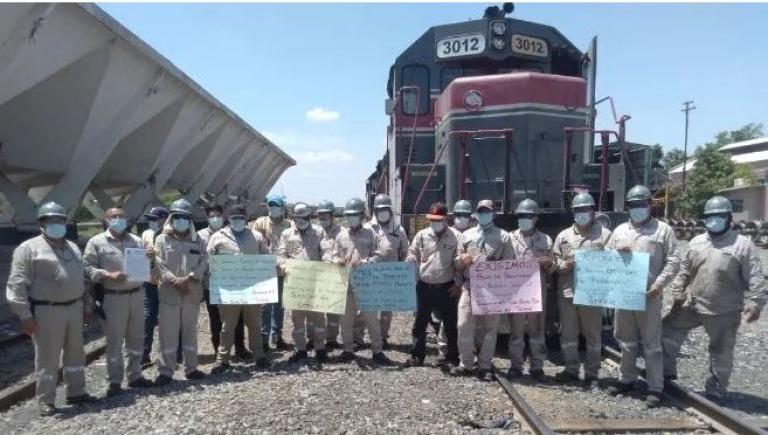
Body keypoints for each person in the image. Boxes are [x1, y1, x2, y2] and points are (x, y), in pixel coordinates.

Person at [663, 196, 766, 400]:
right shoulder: (697, 241)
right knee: (666, 332)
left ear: (729, 217)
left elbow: (755, 276)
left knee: (721, 351)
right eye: (710, 216)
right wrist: (677, 291)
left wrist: (756, 303)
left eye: (719, 216)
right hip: (692, 304)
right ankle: (665, 372)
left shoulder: (742, 245)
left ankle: (716, 388)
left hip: (724, 310)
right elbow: (685, 270)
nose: (714, 220)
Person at [6, 202, 97, 416]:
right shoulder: (28, 249)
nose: (57, 224)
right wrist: (25, 315)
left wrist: (87, 304)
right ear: (42, 223)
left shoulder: (72, 247)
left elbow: (80, 278)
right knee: (48, 357)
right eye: (51, 220)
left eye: (60, 220)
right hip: (47, 311)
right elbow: (17, 283)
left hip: (74, 307)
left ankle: (76, 391)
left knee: (75, 353)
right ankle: (46, 400)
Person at [606, 185, 679, 408]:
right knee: (625, 340)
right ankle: (626, 379)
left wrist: (659, 285)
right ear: (628, 207)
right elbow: (606, 257)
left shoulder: (663, 230)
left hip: (649, 295)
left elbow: (674, 260)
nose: (637, 208)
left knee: (651, 343)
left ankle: (655, 387)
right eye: (633, 205)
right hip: (624, 294)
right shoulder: (619, 231)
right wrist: (616, 252)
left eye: (641, 204)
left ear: (649, 205)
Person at [84, 207, 154, 396]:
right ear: (106, 220)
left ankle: (135, 376)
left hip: (137, 294)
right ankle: (115, 381)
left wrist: (150, 258)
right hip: (113, 297)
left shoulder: (137, 241)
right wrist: (107, 274)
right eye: (114, 216)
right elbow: (87, 268)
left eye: (122, 216)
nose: (119, 219)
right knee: (114, 341)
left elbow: (147, 267)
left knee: (136, 339)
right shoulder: (96, 242)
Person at [451, 199, 515, 381]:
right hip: (469, 286)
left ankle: (485, 365)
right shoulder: (466, 235)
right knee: (463, 325)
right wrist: (461, 260)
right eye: (481, 211)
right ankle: (466, 363)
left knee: (490, 328)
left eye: (487, 211)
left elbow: (509, 265)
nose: (484, 214)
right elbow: (455, 263)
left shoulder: (504, 237)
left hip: (492, 290)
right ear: (476, 214)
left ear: (493, 214)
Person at [552, 193, 611, 383]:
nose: (582, 213)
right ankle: (571, 369)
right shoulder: (564, 236)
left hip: (592, 294)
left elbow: (615, 263)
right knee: (568, 334)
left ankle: (592, 372)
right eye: (578, 210)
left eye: (586, 209)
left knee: (593, 335)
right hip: (568, 293)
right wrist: (562, 265)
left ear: (593, 211)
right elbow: (554, 261)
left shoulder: (605, 235)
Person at [210, 203, 271, 373]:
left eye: (241, 219)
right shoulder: (217, 237)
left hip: (252, 289)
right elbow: (209, 261)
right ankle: (222, 360)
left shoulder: (257, 236)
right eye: (235, 219)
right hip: (228, 290)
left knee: (254, 324)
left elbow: (266, 258)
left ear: (246, 220)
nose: (238, 221)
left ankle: (259, 356)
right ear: (229, 219)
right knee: (227, 326)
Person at [153, 199, 207, 385]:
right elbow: (158, 263)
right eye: (178, 217)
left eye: (185, 217)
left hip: (191, 293)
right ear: (171, 218)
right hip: (169, 293)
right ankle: (166, 371)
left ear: (190, 219)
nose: (181, 220)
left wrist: (190, 278)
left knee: (190, 331)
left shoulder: (198, 239)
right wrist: (174, 280)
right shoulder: (161, 239)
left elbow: (204, 262)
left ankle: (191, 368)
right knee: (167, 333)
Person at [333, 197, 390, 364]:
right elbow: (333, 254)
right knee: (346, 320)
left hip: (366, 285)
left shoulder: (372, 234)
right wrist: (337, 260)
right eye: (349, 215)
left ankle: (377, 351)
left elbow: (380, 255)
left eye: (355, 214)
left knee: (372, 320)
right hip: (347, 285)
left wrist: (366, 262)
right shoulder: (341, 236)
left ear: (362, 215)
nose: (352, 218)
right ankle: (348, 350)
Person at [405, 202, 461, 368]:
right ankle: (417, 356)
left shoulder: (456, 236)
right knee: (420, 323)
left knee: (450, 324)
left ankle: (451, 357)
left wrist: (458, 284)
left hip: (447, 287)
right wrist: (410, 257)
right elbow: (412, 251)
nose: (435, 222)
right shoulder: (422, 235)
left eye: (438, 220)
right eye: (432, 220)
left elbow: (460, 262)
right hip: (425, 286)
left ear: (445, 219)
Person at [507, 198, 555, 382]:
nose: (523, 219)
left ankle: (537, 366)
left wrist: (550, 263)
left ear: (535, 218)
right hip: (517, 292)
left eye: (527, 216)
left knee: (537, 330)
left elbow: (553, 266)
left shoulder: (545, 239)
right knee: (516, 331)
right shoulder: (509, 238)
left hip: (537, 290)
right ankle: (516, 365)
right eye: (520, 216)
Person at [279, 202, 331, 363]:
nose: (300, 221)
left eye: (303, 217)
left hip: (316, 282)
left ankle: (320, 348)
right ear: (293, 218)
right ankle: (300, 349)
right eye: (297, 218)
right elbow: (281, 254)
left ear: (309, 217)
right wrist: (282, 266)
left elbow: (327, 251)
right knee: (297, 319)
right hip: (296, 283)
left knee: (319, 319)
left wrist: (328, 263)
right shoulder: (287, 234)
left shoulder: (319, 231)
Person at [197, 204, 249, 359]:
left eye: (218, 215)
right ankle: (218, 350)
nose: (215, 218)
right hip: (211, 284)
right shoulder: (200, 236)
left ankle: (240, 348)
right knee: (215, 318)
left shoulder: (232, 233)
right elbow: (200, 259)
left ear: (224, 217)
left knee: (238, 316)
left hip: (233, 284)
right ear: (207, 218)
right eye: (212, 216)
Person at [367, 194, 409, 349]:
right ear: (375, 211)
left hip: (389, 276)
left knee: (386, 310)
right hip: (369, 275)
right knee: (365, 307)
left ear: (390, 210)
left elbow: (405, 251)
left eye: (385, 209)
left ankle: (383, 337)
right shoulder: (367, 228)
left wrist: (403, 270)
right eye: (379, 209)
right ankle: (358, 337)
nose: (382, 212)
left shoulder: (398, 230)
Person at [252, 193, 292, 351]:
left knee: (279, 305)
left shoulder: (289, 225)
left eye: (277, 206)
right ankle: (263, 337)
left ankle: (277, 335)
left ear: (282, 208)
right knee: (265, 305)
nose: (274, 209)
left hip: (282, 269)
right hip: (265, 270)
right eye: (271, 205)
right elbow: (254, 243)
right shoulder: (260, 223)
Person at [436, 200, 473, 361]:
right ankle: (444, 351)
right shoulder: (448, 234)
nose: (462, 218)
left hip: (467, 283)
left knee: (469, 322)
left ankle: (468, 353)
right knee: (447, 318)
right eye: (459, 215)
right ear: (453, 217)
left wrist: (460, 283)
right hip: (449, 283)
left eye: (465, 215)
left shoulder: (475, 235)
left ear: (470, 217)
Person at [140, 206, 169, 368]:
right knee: (148, 316)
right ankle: (145, 354)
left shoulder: (170, 235)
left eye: (155, 218)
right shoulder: (146, 234)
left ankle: (169, 354)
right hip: (150, 281)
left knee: (168, 317)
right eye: (150, 219)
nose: (152, 222)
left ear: (164, 219)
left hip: (166, 281)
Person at [313, 199, 342, 349]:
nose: (323, 218)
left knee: (333, 310)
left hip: (335, 276)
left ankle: (332, 338)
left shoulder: (342, 232)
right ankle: (313, 338)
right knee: (315, 310)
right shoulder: (315, 232)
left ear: (332, 215)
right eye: (320, 216)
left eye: (326, 215)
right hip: (317, 277)